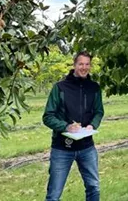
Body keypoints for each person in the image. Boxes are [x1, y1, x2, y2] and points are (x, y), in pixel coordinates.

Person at [43, 51, 104, 201]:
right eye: (81, 64)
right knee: (54, 194)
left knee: (93, 187)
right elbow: (47, 116)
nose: (84, 67)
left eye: (87, 64)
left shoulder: (94, 88)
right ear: (74, 65)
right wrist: (66, 126)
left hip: (87, 147)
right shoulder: (60, 87)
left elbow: (99, 111)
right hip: (62, 148)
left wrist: (92, 125)